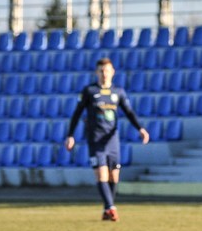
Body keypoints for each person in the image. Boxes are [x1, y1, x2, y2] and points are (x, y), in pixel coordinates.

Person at [64, 57, 149, 221]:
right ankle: (111, 207)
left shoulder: (118, 92)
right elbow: (77, 113)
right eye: (101, 71)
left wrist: (141, 129)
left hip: (112, 140)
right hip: (95, 139)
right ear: (97, 72)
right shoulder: (89, 91)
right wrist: (70, 135)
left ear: (113, 72)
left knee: (114, 176)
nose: (104, 74)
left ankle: (107, 208)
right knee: (101, 174)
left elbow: (129, 112)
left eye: (107, 71)